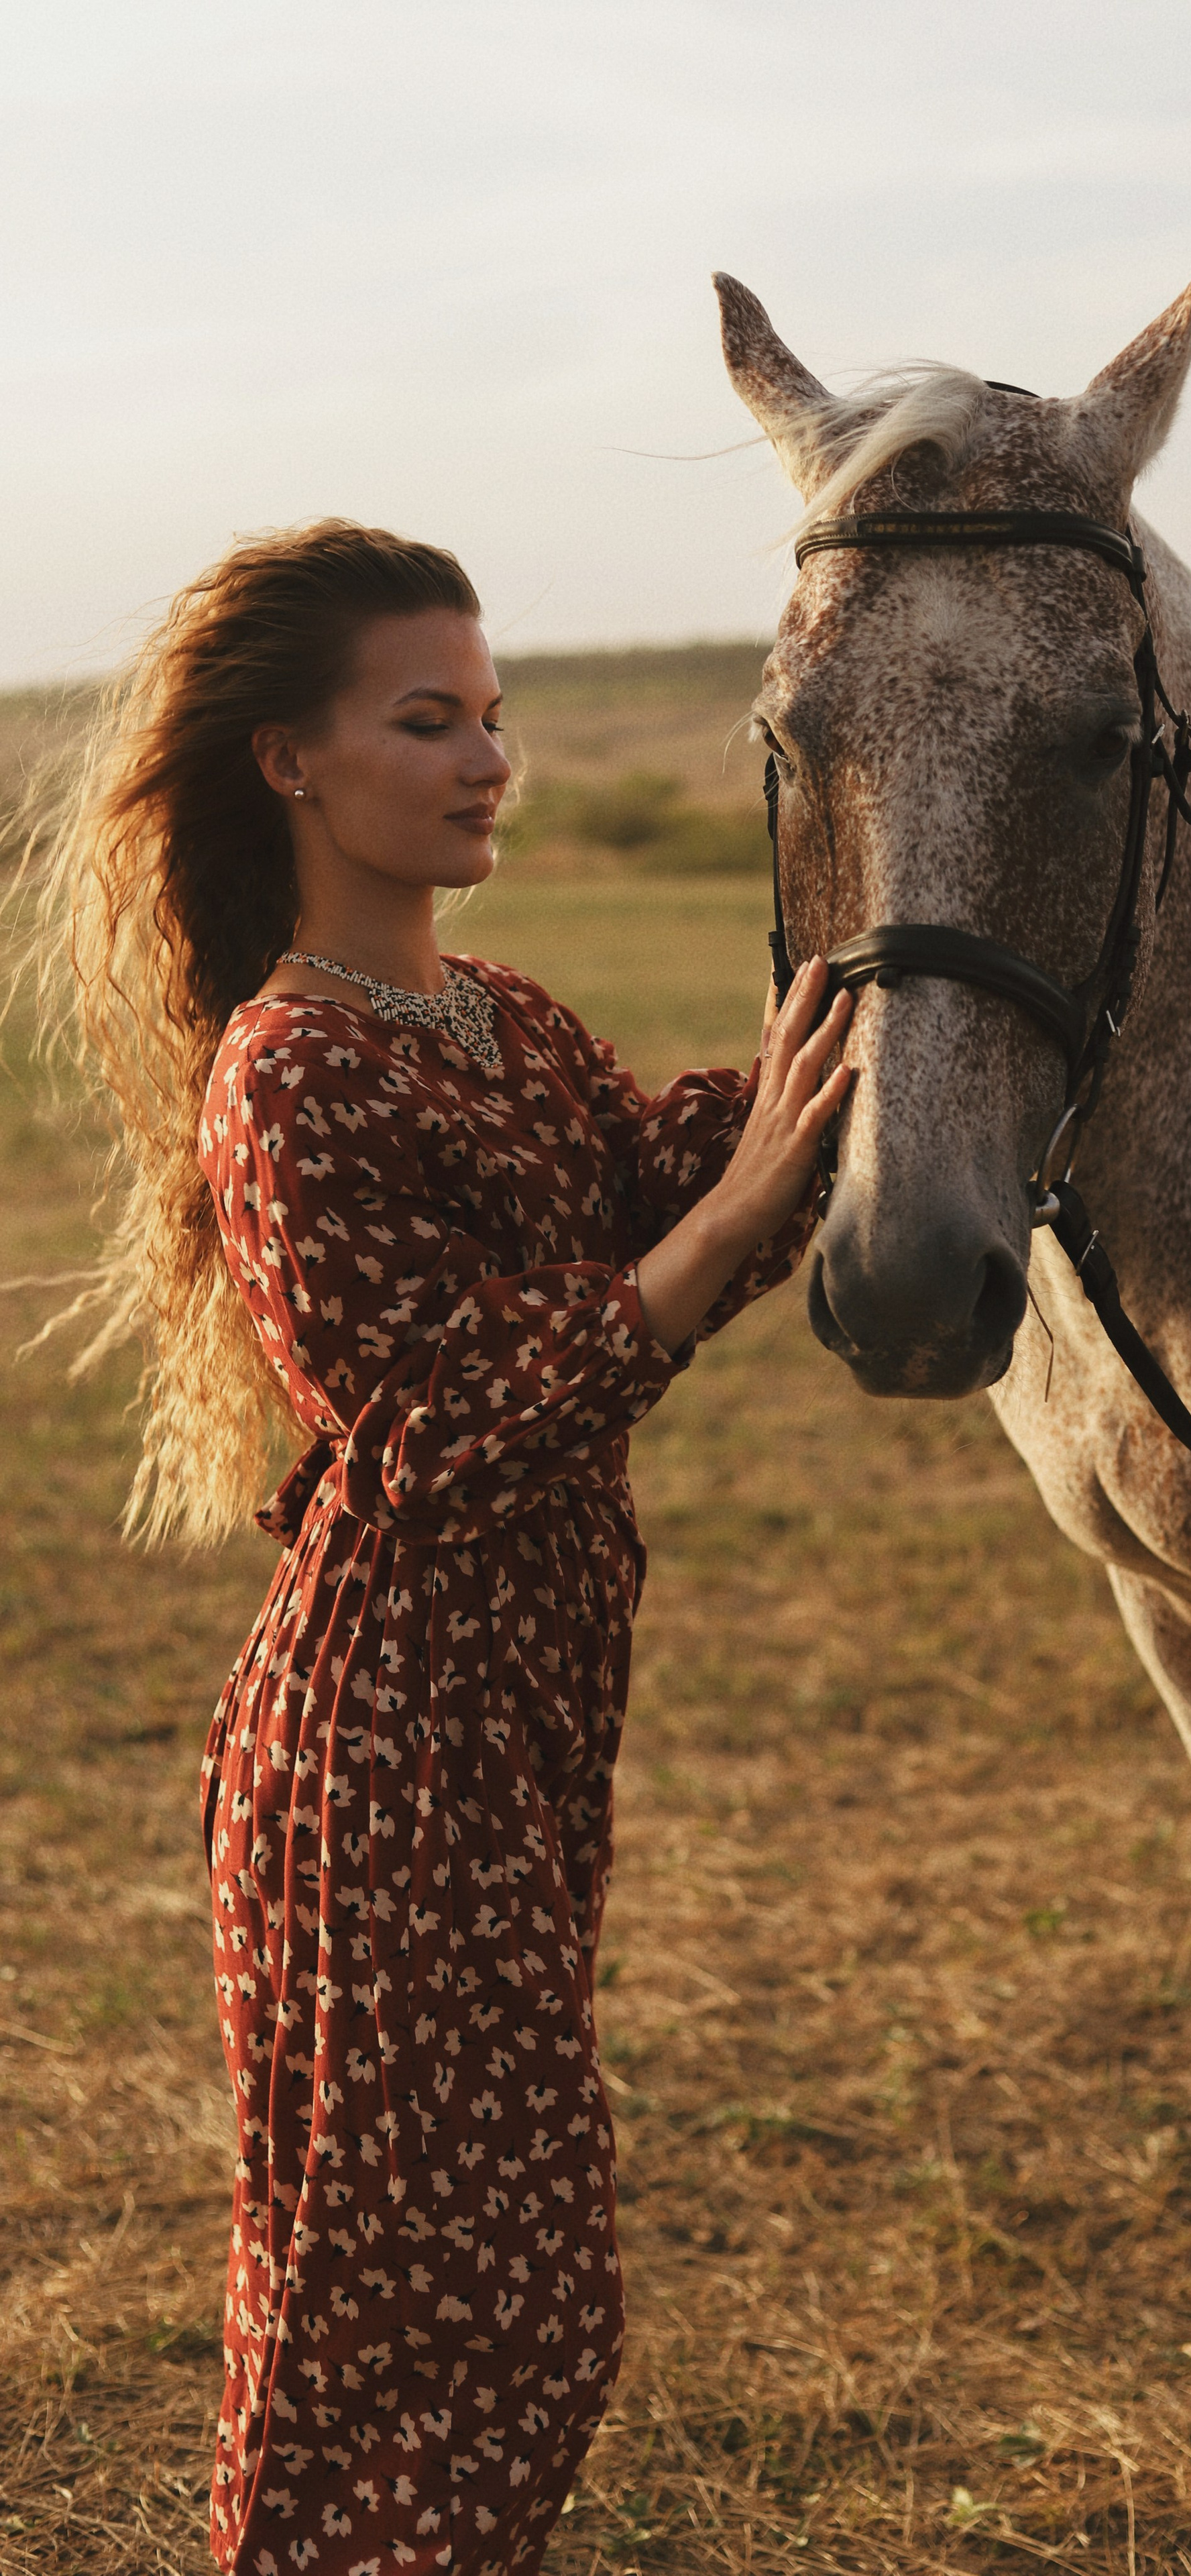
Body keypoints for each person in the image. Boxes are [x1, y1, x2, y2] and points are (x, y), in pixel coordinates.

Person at [26, 519, 852, 2575]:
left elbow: (673, 1161)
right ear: (290, 763)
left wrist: (885, 1035)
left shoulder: (490, 1015)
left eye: (494, 716)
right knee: (409, 2311)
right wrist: (727, 1236)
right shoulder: (288, 1071)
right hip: (383, 1759)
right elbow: (434, 1429)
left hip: (512, 1735)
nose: (488, 758)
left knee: (514, 2303)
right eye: (428, 719)